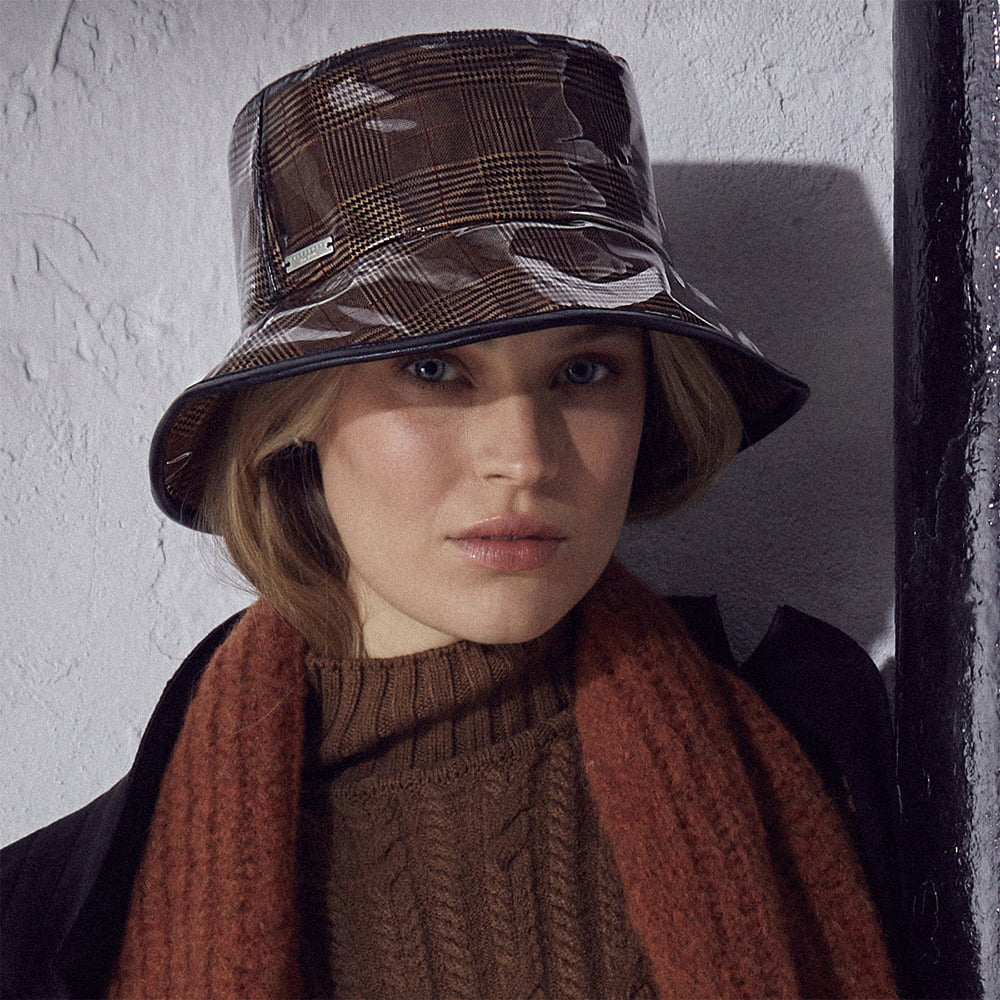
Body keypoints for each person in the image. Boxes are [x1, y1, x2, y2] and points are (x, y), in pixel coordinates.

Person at [1, 29, 898, 999]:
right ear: (295, 420)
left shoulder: (830, 752)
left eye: (583, 370)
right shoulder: (43, 922)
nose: (523, 457)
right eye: (432, 369)